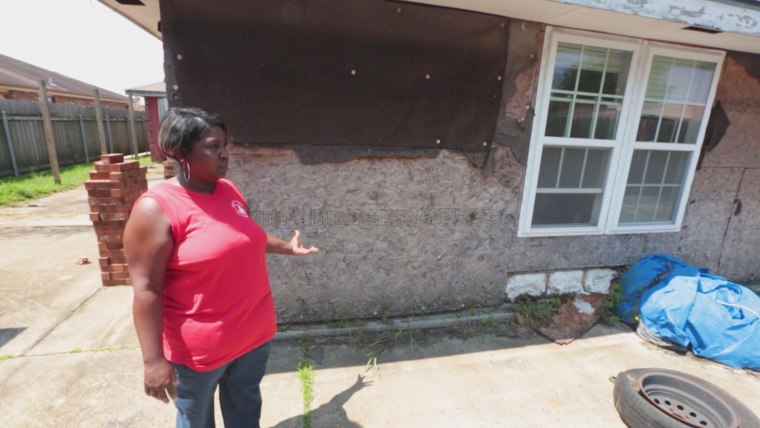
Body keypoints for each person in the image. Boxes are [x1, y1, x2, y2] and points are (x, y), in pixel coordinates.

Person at [124, 107, 318, 428]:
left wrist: (286, 246)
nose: (224, 154)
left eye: (225, 145)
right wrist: (153, 360)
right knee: (196, 421)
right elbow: (146, 289)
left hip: (253, 337)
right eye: (213, 147)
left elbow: (244, 236)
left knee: (245, 416)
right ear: (180, 152)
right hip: (200, 354)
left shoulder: (229, 191)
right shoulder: (155, 209)